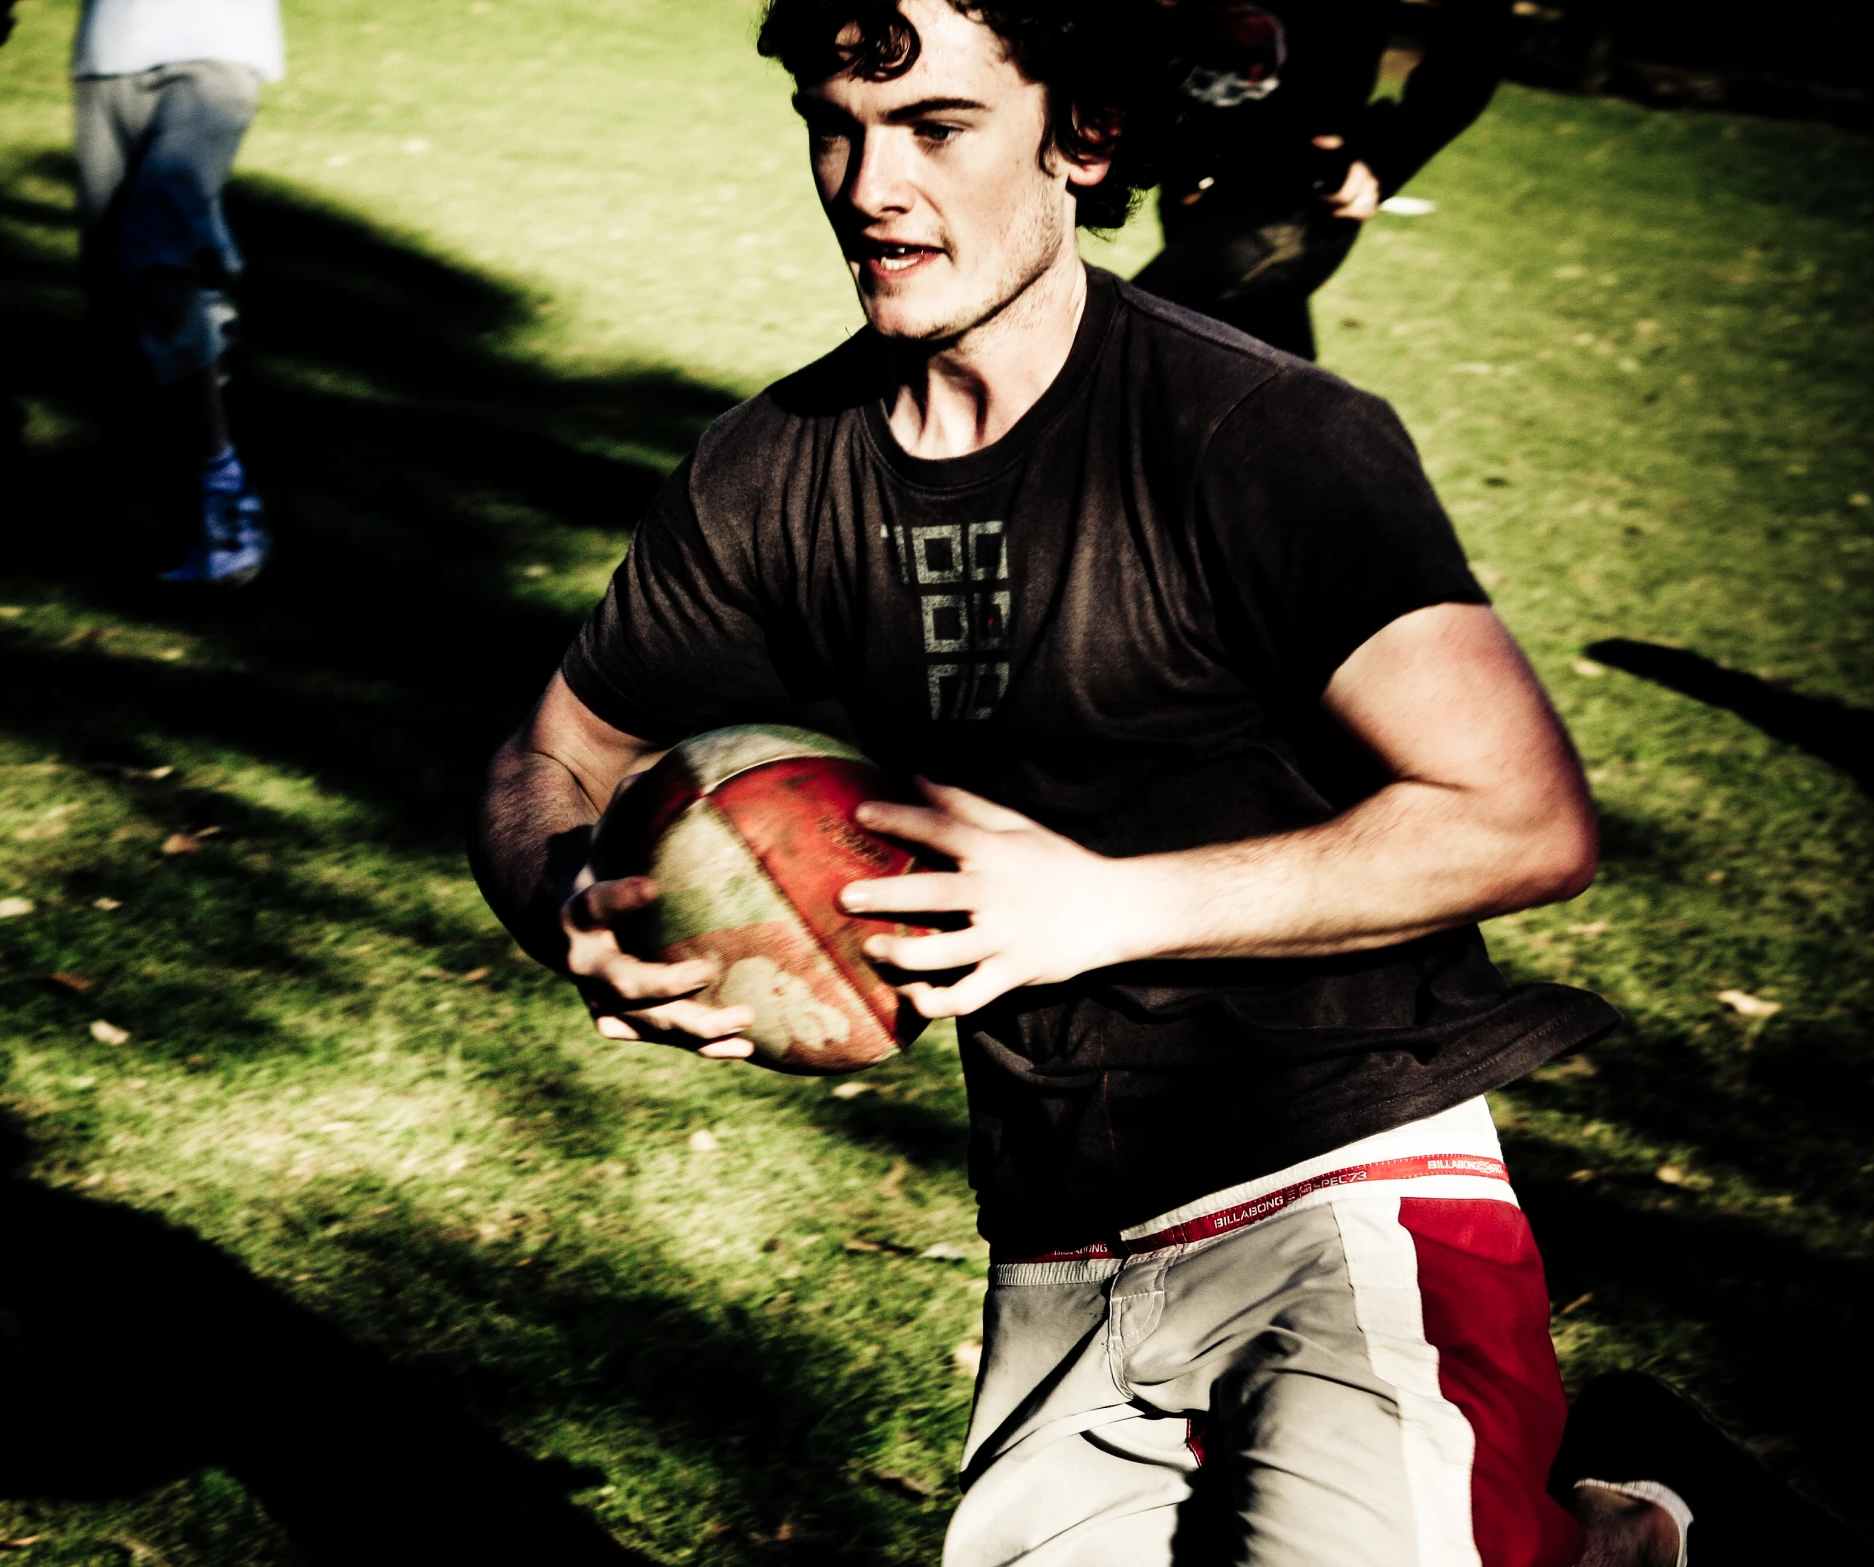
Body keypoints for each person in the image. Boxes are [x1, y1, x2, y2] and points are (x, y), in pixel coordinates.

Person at [470, 1, 1699, 1562]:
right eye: (833, 123)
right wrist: (568, 895)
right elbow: (553, 748)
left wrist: (1097, 906)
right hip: (1053, 1240)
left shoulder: (1254, 435)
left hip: (1343, 1174)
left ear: (1087, 136)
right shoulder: (776, 469)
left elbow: (1520, 816)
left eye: (936, 126)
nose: (864, 184)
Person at [0, 0, 279, 584]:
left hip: (220, 48)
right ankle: (208, 333)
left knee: (156, 251)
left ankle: (228, 501)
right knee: (120, 290)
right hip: (110, 49)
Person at [1130, 0, 1514, 360]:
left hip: (1300, 188)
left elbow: (1477, 36)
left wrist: (1394, 150)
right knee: (1257, 365)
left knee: (1130, 341)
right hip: (1190, 166)